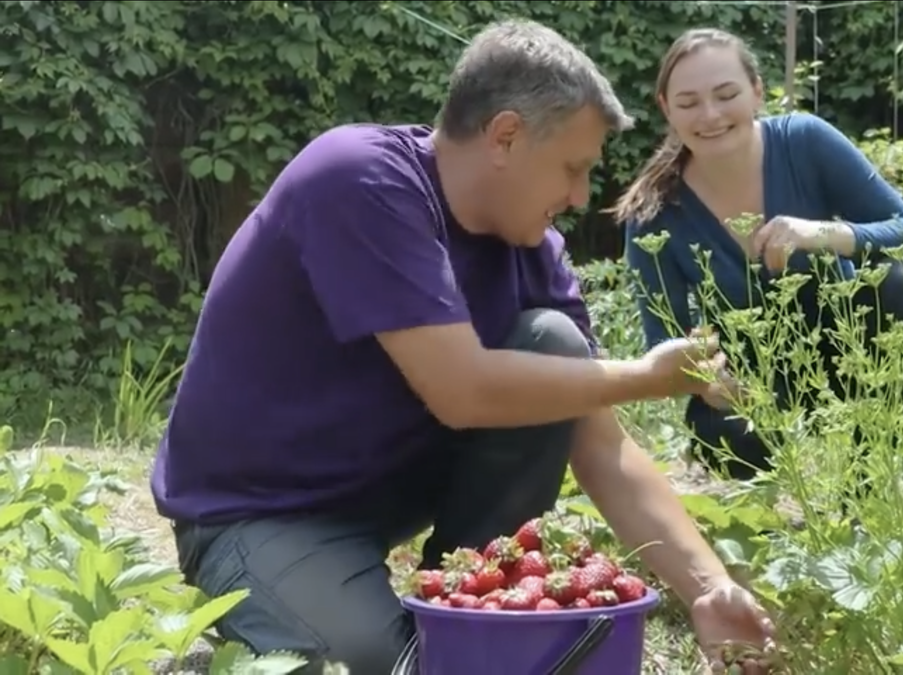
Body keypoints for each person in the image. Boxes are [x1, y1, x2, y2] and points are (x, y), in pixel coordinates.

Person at [150, 19, 776, 675]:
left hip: (384, 493)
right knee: (386, 666)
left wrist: (708, 586)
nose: (581, 196)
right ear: (505, 135)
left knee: (555, 347)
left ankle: (459, 605)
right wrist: (649, 375)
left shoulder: (534, 251)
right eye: (573, 168)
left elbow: (601, 443)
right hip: (259, 511)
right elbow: (461, 389)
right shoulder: (357, 178)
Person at [612, 28, 903, 493]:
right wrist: (706, 377)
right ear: (666, 109)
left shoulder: (804, 142)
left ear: (758, 92)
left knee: (899, 284)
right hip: (750, 376)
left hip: (846, 347)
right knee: (725, 435)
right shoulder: (653, 215)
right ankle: (761, 522)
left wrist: (822, 234)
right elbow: (660, 341)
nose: (710, 115)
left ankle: (867, 487)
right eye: (688, 103)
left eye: (726, 94)